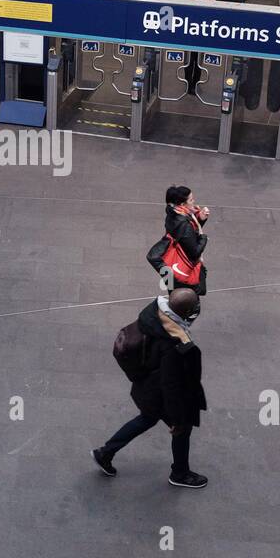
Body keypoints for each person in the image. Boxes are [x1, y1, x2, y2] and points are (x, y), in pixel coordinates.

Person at [93, 288, 208, 488]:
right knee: (182, 429)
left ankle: (105, 453)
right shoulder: (176, 346)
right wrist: (177, 418)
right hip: (158, 393)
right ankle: (180, 473)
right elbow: (170, 385)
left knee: (146, 418)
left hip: (144, 384)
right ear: (186, 312)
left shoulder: (153, 314)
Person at [160, 184, 209, 301]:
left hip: (170, 263)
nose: (194, 201)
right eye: (191, 199)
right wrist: (203, 238)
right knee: (184, 300)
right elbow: (194, 252)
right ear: (182, 204)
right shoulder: (184, 223)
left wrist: (200, 219)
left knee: (172, 291)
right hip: (182, 270)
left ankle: (173, 302)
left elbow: (185, 237)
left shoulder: (173, 213)